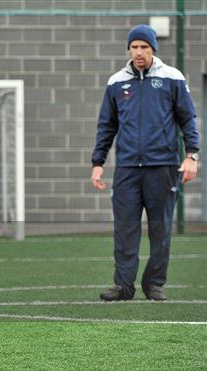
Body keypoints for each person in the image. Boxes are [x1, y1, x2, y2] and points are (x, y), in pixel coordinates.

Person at [91, 25, 199, 301]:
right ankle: (123, 286)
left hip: (162, 167)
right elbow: (107, 125)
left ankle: (154, 285)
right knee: (125, 229)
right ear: (128, 49)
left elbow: (188, 119)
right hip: (127, 168)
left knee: (160, 228)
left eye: (144, 47)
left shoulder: (172, 78)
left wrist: (191, 156)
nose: (139, 52)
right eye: (134, 47)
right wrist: (98, 162)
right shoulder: (116, 82)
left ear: (153, 49)